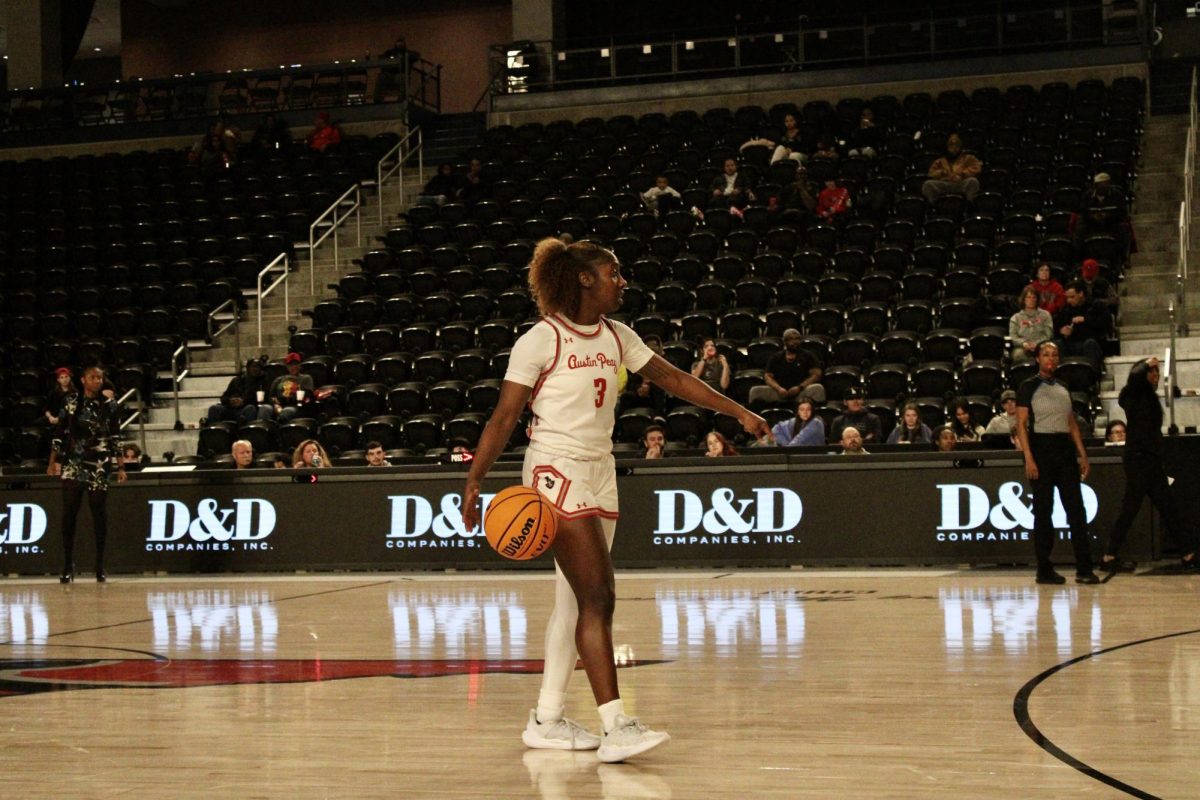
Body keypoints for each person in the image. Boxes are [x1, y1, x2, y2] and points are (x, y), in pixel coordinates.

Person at [460, 238, 771, 763]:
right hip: (556, 469)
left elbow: (672, 379)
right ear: (584, 279)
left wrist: (737, 411)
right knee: (598, 598)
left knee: (571, 604)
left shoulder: (617, 335)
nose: (622, 281)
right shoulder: (541, 339)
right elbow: (504, 417)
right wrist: (474, 480)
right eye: (614, 272)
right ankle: (615, 724)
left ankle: (546, 718)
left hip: (601, 469)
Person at [1099, 358, 1198, 573]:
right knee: (1131, 508)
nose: (1155, 376)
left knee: (1165, 507)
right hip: (1138, 459)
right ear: (1142, 374)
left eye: (1156, 372)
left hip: (1150, 459)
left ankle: (1188, 553)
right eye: (1151, 372)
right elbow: (1133, 381)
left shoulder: (1150, 398)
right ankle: (1109, 556)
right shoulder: (1132, 395)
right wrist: (1143, 364)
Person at [1014, 342, 1100, 585]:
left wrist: (1082, 453)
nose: (1051, 359)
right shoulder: (1028, 386)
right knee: (1043, 511)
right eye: (1046, 355)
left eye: (1054, 354)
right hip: (1041, 449)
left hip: (1064, 450)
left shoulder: (1063, 386)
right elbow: (1021, 424)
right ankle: (1044, 568)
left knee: (1076, 509)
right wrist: (1028, 458)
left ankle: (1084, 568)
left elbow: (1071, 422)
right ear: (1038, 359)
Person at [46, 365, 126, 583]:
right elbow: (60, 432)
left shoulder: (109, 405)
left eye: (100, 377)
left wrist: (120, 465)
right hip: (74, 462)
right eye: (93, 377)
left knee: (99, 513)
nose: (97, 381)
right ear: (83, 380)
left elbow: (116, 435)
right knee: (69, 513)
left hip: (99, 462)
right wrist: (53, 461)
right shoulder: (71, 402)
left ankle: (100, 563)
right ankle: (67, 563)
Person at [750, 329, 825, 408]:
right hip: (779, 392)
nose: (794, 342)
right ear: (784, 342)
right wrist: (779, 389)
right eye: (791, 339)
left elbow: (817, 374)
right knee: (755, 391)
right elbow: (768, 376)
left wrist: (799, 387)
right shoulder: (776, 357)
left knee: (818, 388)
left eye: (797, 339)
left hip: (801, 392)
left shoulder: (808, 355)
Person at [1054, 280, 1109, 370]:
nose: (1069, 300)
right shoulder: (1065, 309)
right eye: (1067, 297)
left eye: (1072, 297)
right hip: (1070, 344)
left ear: (1081, 293)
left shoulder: (1096, 305)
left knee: (1090, 344)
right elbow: (1057, 327)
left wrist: (1085, 319)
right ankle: (1062, 374)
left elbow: (1105, 323)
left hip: (1090, 342)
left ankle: (1091, 375)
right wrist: (1062, 331)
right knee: (1057, 344)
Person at [208, 358, 273, 424]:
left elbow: (263, 399)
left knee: (250, 408)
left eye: (258, 367)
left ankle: (248, 433)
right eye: (253, 366)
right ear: (248, 368)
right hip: (231, 408)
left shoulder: (263, 382)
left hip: (245, 408)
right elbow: (224, 397)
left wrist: (243, 402)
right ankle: (214, 432)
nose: (256, 369)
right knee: (214, 408)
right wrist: (230, 401)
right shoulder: (237, 380)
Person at [921, 133, 981, 205]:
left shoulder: (969, 158)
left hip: (961, 183)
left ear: (960, 146)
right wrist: (942, 173)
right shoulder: (940, 161)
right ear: (947, 146)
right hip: (945, 184)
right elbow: (931, 174)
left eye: (957, 145)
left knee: (973, 181)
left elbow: (977, 168)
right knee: (928, 184)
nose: (954, 148)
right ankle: (932, 207)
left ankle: (970, 205)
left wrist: (962, 174)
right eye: (951, 145)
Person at [1009, 286, 1055, 363]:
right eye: (1028, 297)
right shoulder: (1015, 318)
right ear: (1024, 300)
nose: (1031, 300)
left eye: (1034, 297)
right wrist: (1024, 344)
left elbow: (1048, 335)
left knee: (1048, 353)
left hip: (1041, 345)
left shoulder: (1045, 315)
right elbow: (1013, 337)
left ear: (1037, 299)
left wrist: (1037, 344)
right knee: (1018, 354)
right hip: (1022, 347)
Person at [270, 353, 315, 422]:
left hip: (296, 406)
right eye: (291, 365)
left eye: (296, 364)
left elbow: (308, 396)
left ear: (300, 365)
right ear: (287, 366)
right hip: (278, 405)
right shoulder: (279, 379)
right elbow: (271, 396)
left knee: (286, 412)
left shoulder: (306, 378)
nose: (294, 367)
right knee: (264, 408)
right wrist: (275, 405)